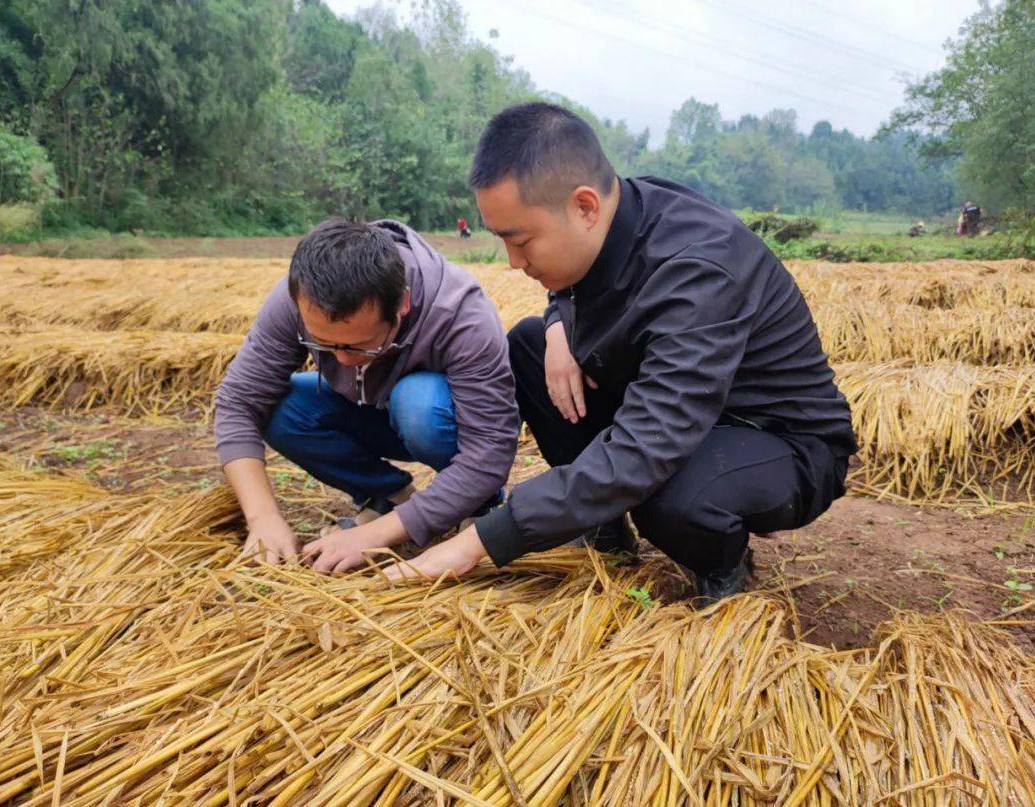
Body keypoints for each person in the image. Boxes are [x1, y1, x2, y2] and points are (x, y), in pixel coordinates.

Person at [384, 103, 858, 605]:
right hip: (685, 412)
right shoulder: (616, 211)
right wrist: (558, 329)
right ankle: (604, 529)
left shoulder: (699, 269)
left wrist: (480, 540)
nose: (513, 262)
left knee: (668, 497)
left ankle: (722, 562)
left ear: (585, 207)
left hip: (776, 437)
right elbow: (566, 290)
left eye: (520, 241)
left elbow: (649, 445)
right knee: (527, 345)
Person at [214, 219, 519, 572]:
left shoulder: (460, 314)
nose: (341, 358)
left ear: (402, 304)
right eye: (324, 344)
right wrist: (263, 517)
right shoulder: (299, 298)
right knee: (280, 406)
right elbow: (238, 401)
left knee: (417, 404)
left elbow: (489, 451)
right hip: (365, 411)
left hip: (438, 422)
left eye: (361, 345)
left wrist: (374, 536)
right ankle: (386, 495)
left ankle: (477, 504)